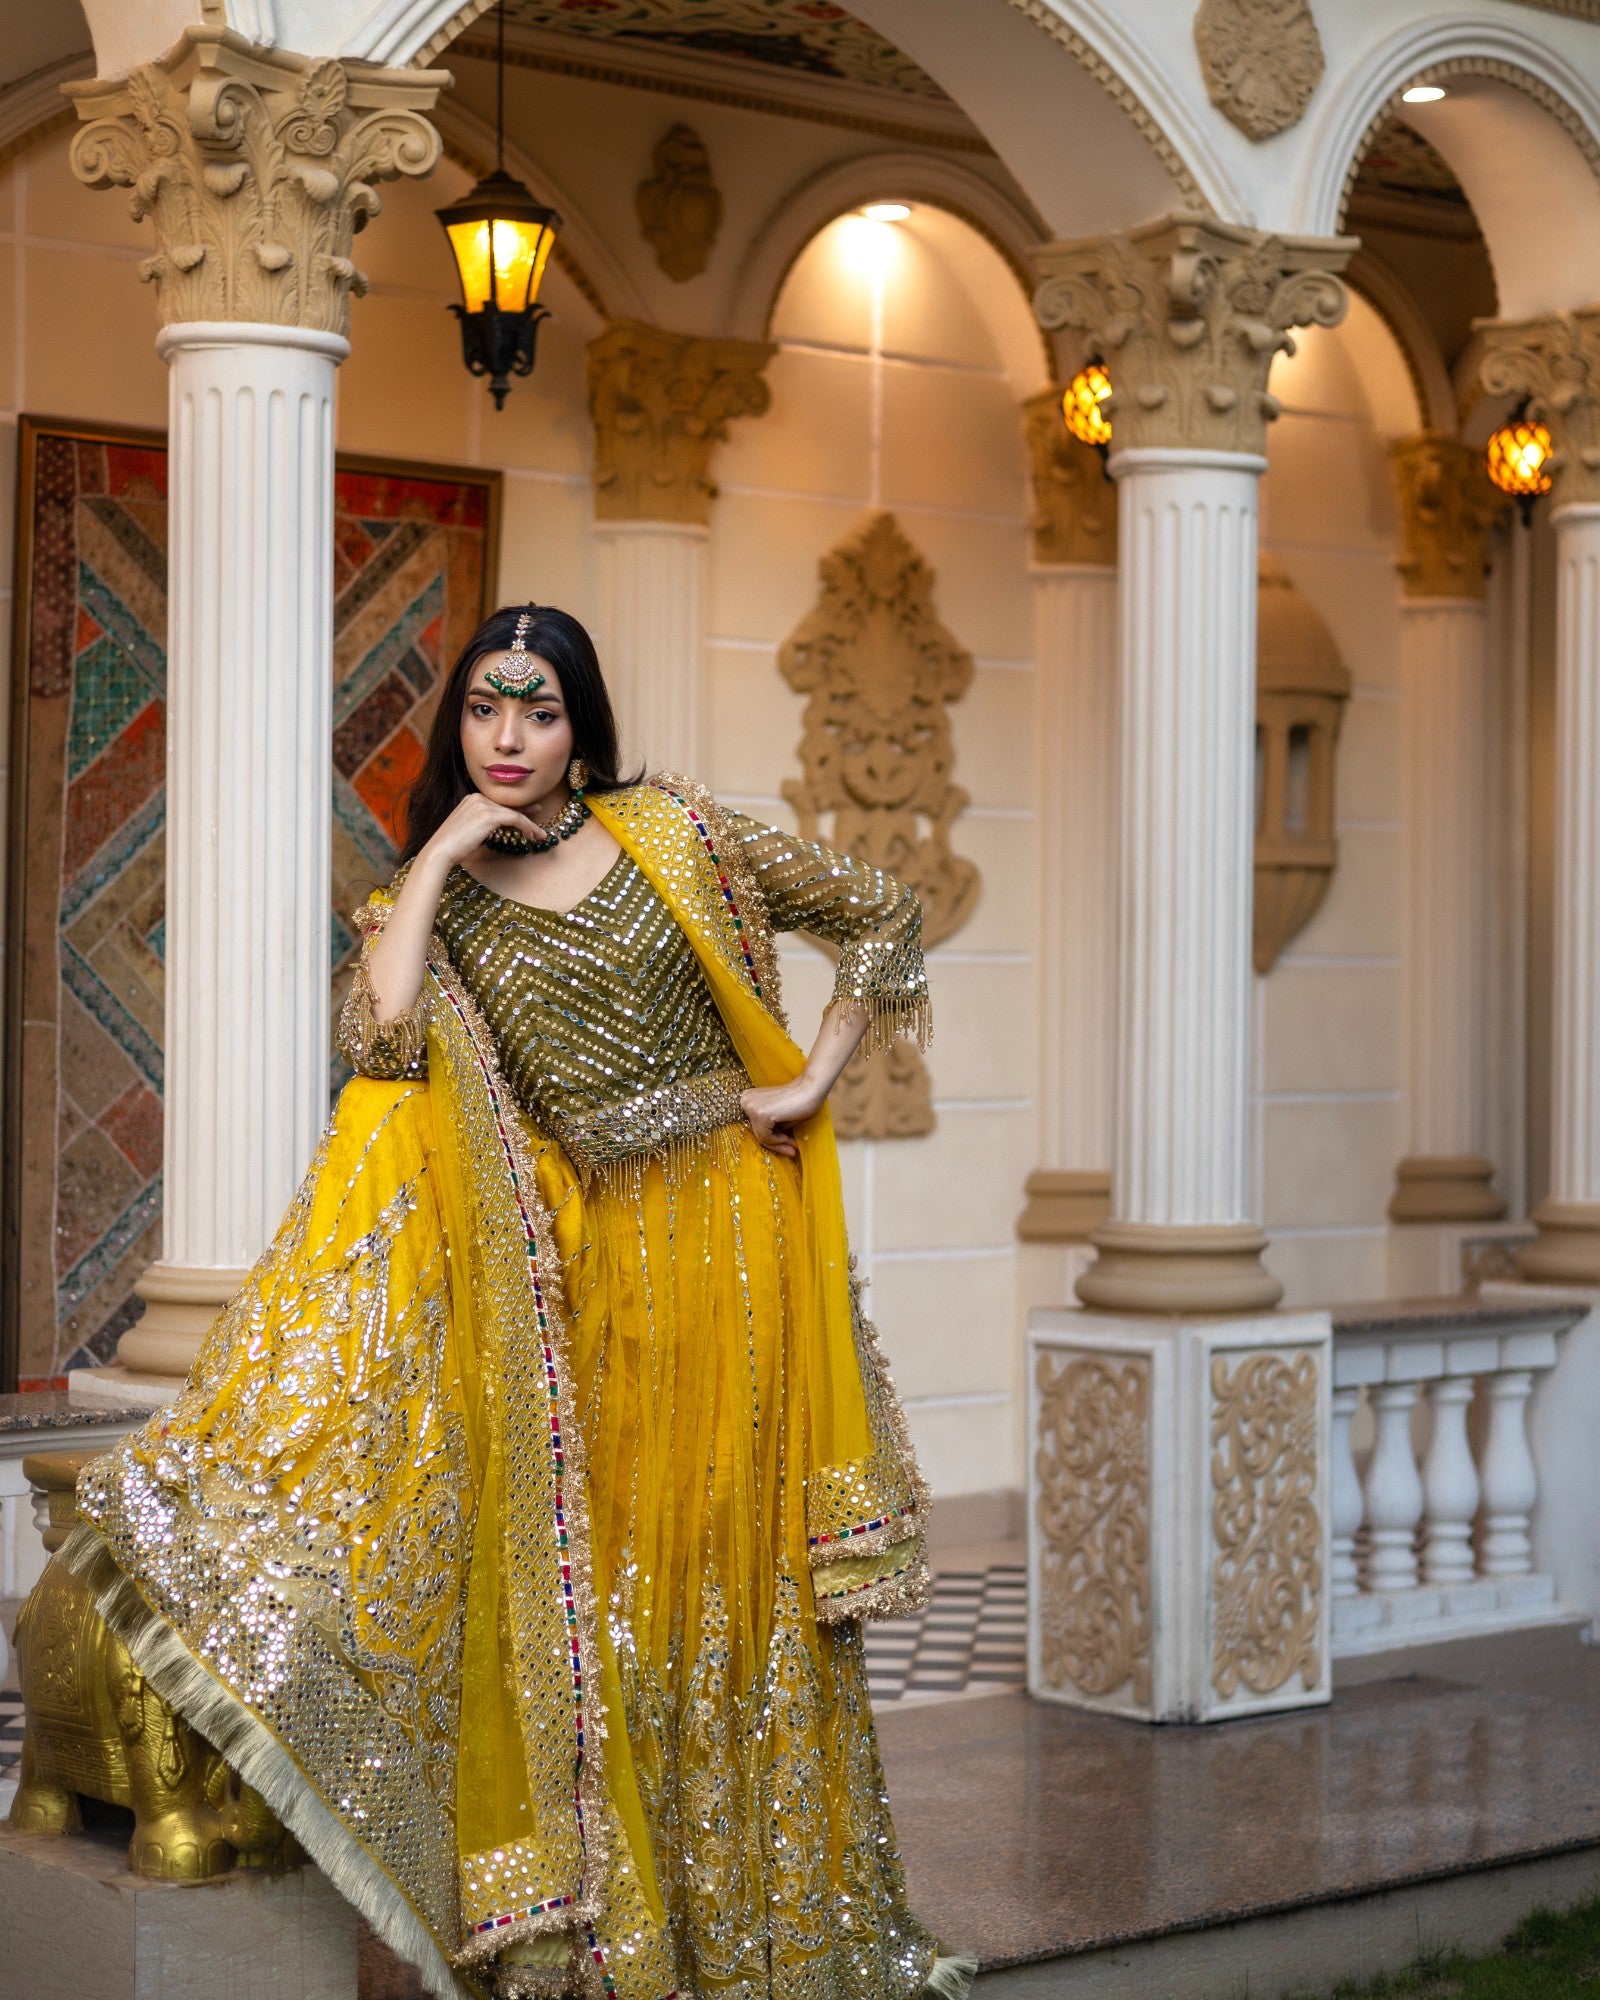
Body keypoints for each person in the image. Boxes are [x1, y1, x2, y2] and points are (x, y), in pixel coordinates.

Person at [66, 604, 975, 2000]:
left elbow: (883, 916)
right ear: (459, 730)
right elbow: (383, 1044)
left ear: (580, 726)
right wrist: (432, 859)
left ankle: (771, 1928)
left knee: (729, 1594)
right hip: (582, 1284)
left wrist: (812, 1076)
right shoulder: (432, 908)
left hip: (732, 1253)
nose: (508, 738)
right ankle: (629, 1934)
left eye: (538, 711)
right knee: (602, 1606)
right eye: (485, 711)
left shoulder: (680, 836)